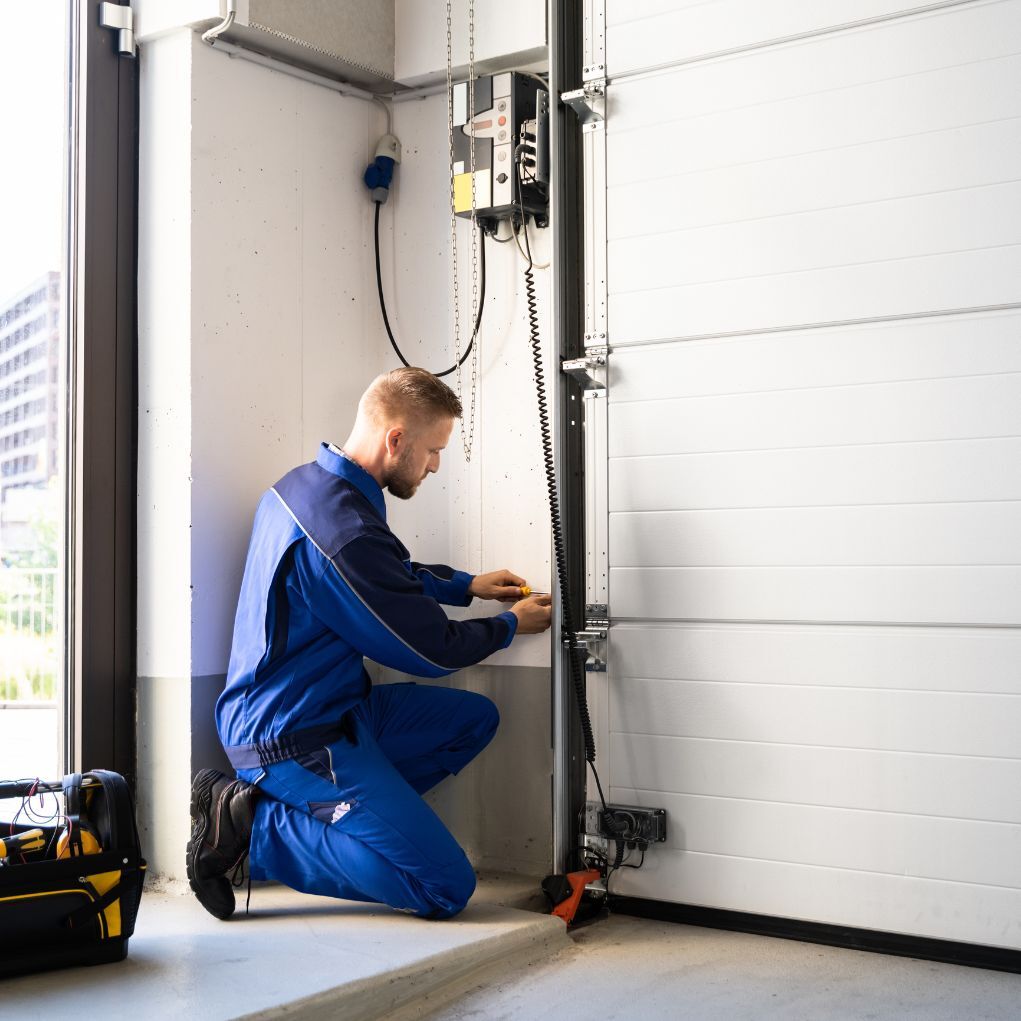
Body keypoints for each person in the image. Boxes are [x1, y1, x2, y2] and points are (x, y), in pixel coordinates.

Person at [186, 367, 552, 921]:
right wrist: (507, 626)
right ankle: (254, 830)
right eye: (433, 450)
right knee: (444, 887)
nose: (434, 465)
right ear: (396, 440)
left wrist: (466, 586)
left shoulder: (306, 487)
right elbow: (432, 651)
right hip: (290, 737)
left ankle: (347, 824)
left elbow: (386, 575)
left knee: (473, 720)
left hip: (338, 710)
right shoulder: (341, 532)